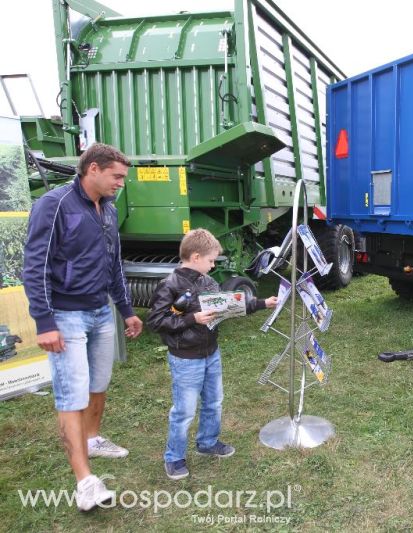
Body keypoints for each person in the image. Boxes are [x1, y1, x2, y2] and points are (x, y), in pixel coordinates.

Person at [22, 143, 143, 511]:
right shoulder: (54, 204)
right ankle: (85, 481)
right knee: (72, 394)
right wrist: (45, 322)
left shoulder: (107, 209)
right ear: (93, 169)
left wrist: (126, 309)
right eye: (116, 176)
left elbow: (114, 263)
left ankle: (92, 438)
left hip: (100, 312)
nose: (121, 183)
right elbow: (35, 265)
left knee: (98, 385)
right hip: (65, 315)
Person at [146, 229, 277, 480]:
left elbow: (229, 305)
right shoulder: (170, 285)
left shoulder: (208, 282)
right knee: (184, 411)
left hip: (211, 354)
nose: (213, 264)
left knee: (214, 402)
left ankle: (207, 442)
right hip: (185, 358)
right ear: (195, 257)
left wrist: (262, 303)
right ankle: (174, 457)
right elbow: (156, 321)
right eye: (211, 260)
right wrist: (191, 318)